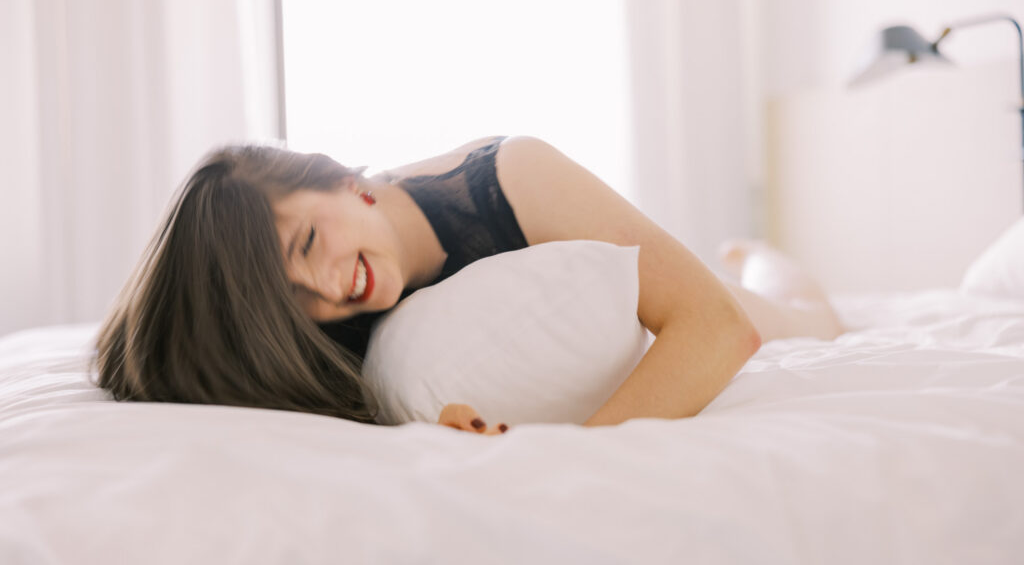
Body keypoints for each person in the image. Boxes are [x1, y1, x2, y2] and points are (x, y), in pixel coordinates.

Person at [94, 135, 841, 435]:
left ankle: (759, 254)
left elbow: (717, 328)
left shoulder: (512, 176)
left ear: (343, 179)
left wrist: (568, 457)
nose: (324, 286)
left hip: (724, 307)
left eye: (309, 242)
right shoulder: (331, 318)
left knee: (808, 312)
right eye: (294, 296)